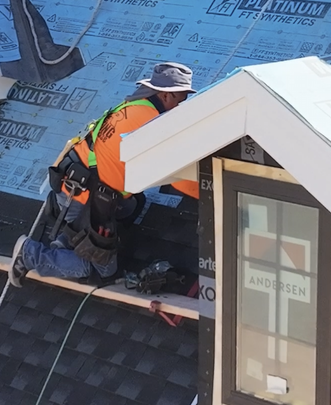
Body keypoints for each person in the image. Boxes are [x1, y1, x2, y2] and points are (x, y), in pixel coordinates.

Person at [12, 62, 202, 283]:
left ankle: (66, 240)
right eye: (181, 99)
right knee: (97, 271)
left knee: (131, 205)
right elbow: (178, 176)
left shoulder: (134, 106)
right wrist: (213, 192)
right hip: (84, 196)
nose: (181, 106)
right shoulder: (152, 122)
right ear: (167, 95)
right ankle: (30, 255)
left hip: (78, 183)